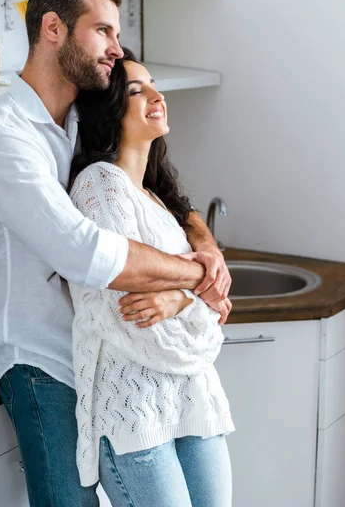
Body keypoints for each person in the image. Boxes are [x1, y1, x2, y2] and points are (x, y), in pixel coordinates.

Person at [0, 0, 231, 507]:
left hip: (114, 356)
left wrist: (202, 239)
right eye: (102, 31)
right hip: (46, 368)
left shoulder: (81, 119)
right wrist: (199, 274)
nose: (115, 47)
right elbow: (84, 253)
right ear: (53, 27)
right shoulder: (0, 137)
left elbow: (156, 188)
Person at [68, 49, 234, 507]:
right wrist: (196, 296)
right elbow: (124, 310)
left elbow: (216, 307)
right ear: (111, 111)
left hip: (194, 398)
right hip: (134, 414)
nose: (156, 97)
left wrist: (182, 298)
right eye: (137, 90)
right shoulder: (100, 184)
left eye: (154, 85)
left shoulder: (157, 198)